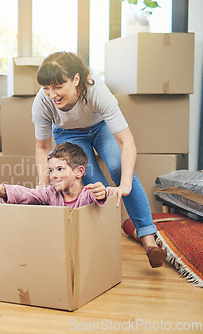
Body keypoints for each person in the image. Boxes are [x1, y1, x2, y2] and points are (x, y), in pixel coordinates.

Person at [31, 51, 166, 268]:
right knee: (94, 181)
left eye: (57, 87)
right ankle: (107, 241)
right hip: (68, 133)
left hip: (99, 127)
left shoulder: (96, 90)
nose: (51, 94)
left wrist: (126, 184)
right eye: (46, 88)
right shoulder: (42, 102)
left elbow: (126, 142)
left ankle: (149, 241)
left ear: (76, 80)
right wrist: (43, 186)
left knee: (118, 166)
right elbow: (43, 146)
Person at [0, 142, 108, 208]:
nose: (54, 175)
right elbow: (26, 194)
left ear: (79, 172)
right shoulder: (50, 194)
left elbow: (100, 198)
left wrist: (101, 194)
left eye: (60, 169)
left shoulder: (87, 195)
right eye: (51, 170)